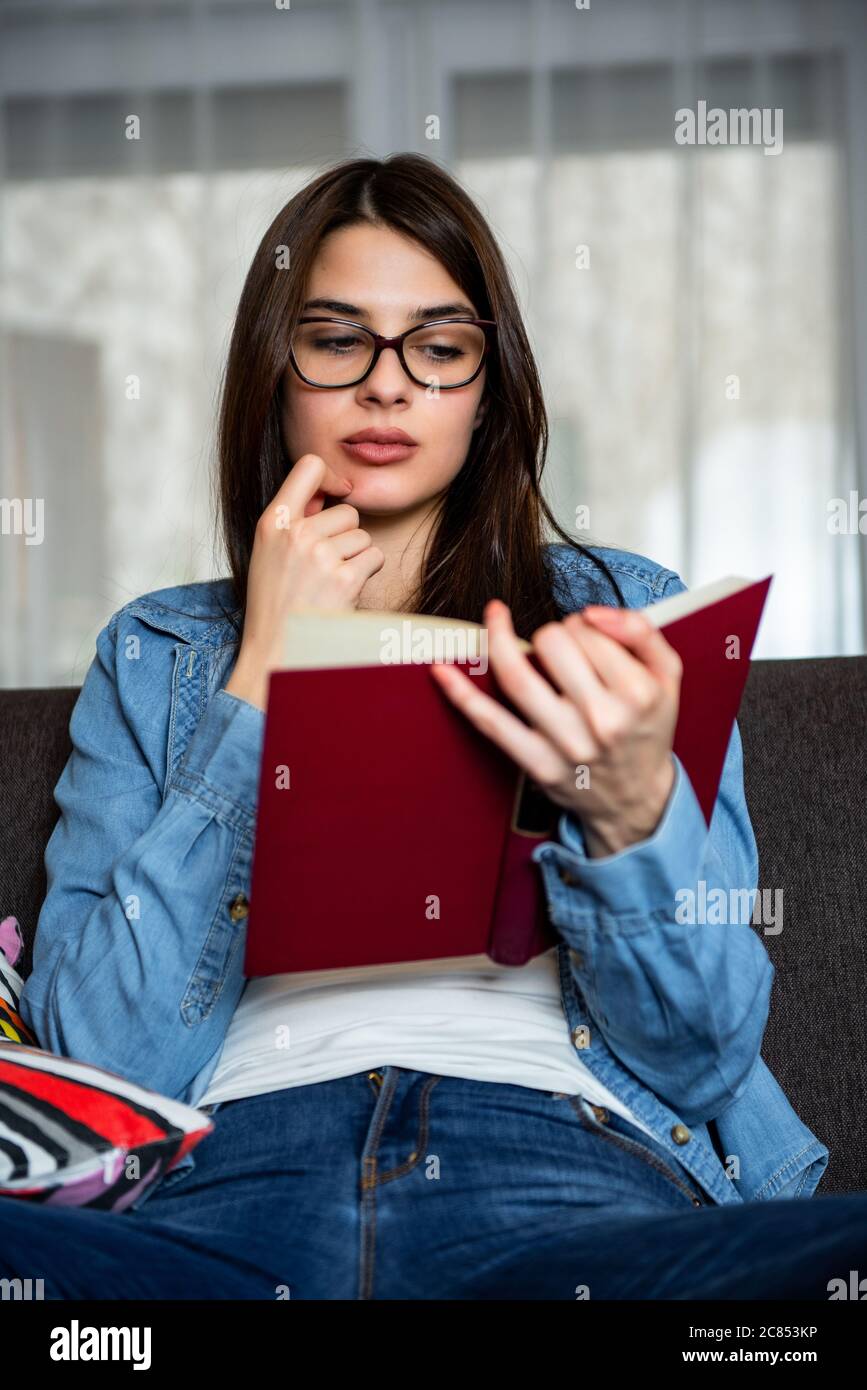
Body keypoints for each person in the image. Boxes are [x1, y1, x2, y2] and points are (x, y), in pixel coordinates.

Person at [5, 153, 866, 1301]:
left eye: (440, 346)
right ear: (277, 372)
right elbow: (102, 1058)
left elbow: (705, 1048)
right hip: (228, 1184)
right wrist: (260, 676)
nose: (388, 385)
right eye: (336, 337)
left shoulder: (622, 610)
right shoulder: (157, 650)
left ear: (487, 388)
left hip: (565, 1167)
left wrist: (628, 816)